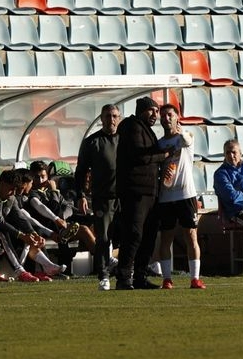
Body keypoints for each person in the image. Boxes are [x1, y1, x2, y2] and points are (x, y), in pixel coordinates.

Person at [115, 96, 172, 290]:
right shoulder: (133, 126)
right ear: (141, 110)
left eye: (157, 111)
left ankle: (139, 276)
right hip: (136, 190)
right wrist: (163, 155)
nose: (155, 115)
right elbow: (139, 155)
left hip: (150, 191)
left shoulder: (144, 129)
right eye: (152, 110)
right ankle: (124, 277)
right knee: (134, 234)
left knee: (148, 235)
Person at [154, 104, 206, 290]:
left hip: (186, 194)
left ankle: (195, 279)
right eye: (163, 115)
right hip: (166, 196)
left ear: (177, 118)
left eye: (170, 115)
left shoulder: (185, 137)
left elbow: (187, 139)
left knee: (191, 235)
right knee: (166, 237)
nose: (166, 118)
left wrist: (180, 130)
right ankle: (167, 278)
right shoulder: (159, 144)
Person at [0, 169, 58, 282]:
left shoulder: (11, 197)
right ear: (2, 184)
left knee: (30, 234)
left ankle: (42, 269)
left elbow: (20, 218)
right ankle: (20, 271)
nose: (13, 193)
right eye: (11, 189)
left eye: (15, 190)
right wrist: (21, 235)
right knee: (3, 233)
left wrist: (32, 233)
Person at [74, 103, 121, 291]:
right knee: (102, 238)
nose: (111, 119)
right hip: (103, 197)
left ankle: (126, 272)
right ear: (101, 119)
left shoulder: (126, 140)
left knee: (128, 235)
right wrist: (81, 195)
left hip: (125, 196)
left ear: (119, 118)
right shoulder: (92, 142)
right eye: (108, 116)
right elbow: (81, 171)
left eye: (115, 116)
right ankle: (103, 274)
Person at [27, 160, 95, 276]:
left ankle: (100, 265)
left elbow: (66, 207)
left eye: (43, 176)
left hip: (62, 225)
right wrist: (54, 191)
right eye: (37, 177)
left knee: (94, 224)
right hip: (48, 229)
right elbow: (53, 210)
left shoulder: (49, 191)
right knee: (83, 230)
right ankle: (105, 262)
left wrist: (87, 215)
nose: (41, 180)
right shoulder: (33, 193)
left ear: (48, 176)